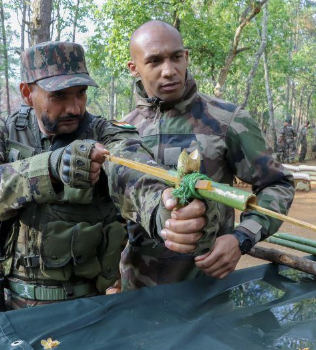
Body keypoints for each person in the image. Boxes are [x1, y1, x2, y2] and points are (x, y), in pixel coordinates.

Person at [0, 41, 217, 310]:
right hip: (9, 303)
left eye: (80, 93)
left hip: (83, 306)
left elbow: (134, 173)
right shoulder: (3, 132)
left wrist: (166, 210)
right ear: (27, 93)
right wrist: (50, 169)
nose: (75, 108)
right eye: (59, 96)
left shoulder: (107, 134)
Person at [121, 20, 294, 291]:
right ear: (134, 68)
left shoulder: (228, 121)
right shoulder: (123, 132)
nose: (169, 71)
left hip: (206, 289)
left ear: (186, 56)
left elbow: (278, 184)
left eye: (176, 57)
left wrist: (241, 238)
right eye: (154, 61)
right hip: (137, 291)